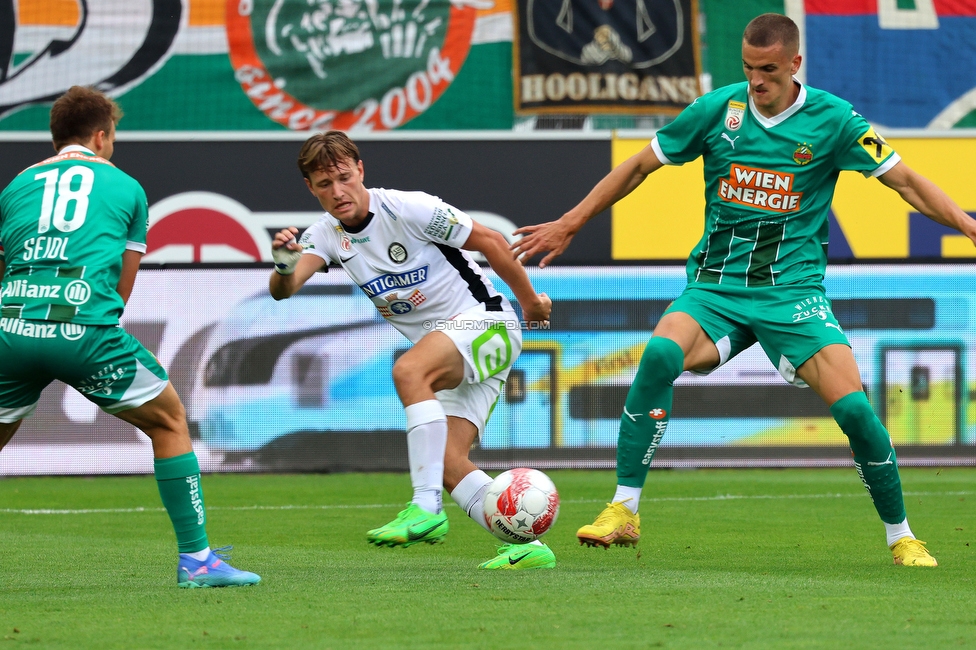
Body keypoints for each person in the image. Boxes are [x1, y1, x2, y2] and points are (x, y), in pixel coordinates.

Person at [512, 14, 976, 567]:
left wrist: (967, 224)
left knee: (855, 412)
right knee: (659, 354)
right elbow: (638, 165)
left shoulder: (835, 120)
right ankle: (624, 509)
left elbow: (906, 182)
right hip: (716, 288)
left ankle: (901, 536)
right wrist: (571, 221)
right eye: (750, 69)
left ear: (795, 64)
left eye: (769, 70)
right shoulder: (717, 110)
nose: (757, 82)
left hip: (793, 295)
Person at [0, 86, 260, 588]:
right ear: (100, 136)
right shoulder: (126, 188)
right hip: (85, 332)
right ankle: (198, 561)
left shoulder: (16, 186)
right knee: (169, 421)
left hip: (11, 328)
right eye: (112, 136)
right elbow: (121, 287)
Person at [269, 131, 554, 570]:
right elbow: (284, 290)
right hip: (451, 349)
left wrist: (531, 301)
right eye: (324, 185)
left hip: (488, 323)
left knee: (408, 372)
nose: (337, 191)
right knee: (445, 461)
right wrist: (284, 264)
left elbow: (493, 241)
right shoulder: (325, 235)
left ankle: (426, 508)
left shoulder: (409, 208)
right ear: (310, 187)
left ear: (360, 170)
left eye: (344, 177)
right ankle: (527, 547)